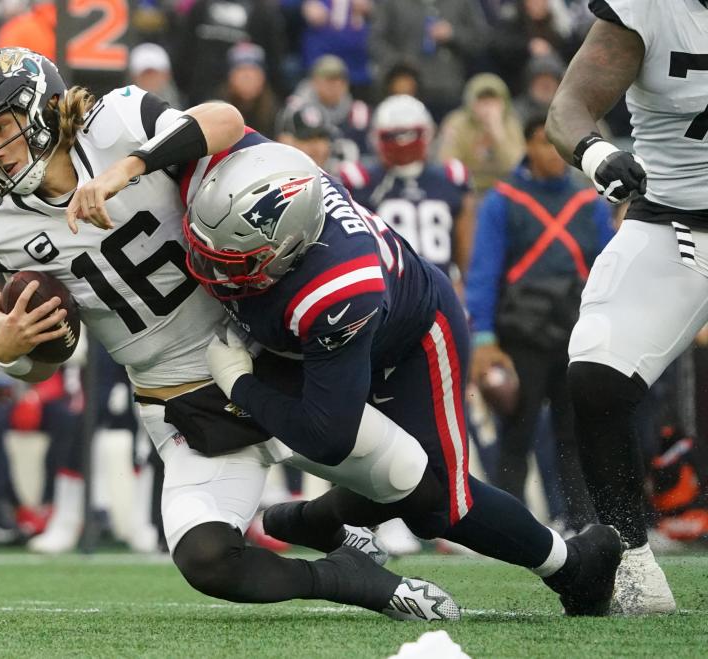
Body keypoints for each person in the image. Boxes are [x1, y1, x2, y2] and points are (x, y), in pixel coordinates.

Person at [0, 47, 454, 621]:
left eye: (2, 126)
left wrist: (130, 167)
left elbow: (224, 123)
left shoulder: (118, 120)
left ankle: (320, 523)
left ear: (42, 106)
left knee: (423, 488)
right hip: (180, 403)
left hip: (265, 355)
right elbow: (45, 356)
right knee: (205, 558)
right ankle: (351, 580)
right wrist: (8, 352)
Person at [183, 140, 624, 616]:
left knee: (439, 502)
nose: (210, 271)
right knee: (394, 479)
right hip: (317, 334)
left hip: (409, 340)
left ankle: (576, 568)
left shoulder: (337, 285)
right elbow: (221, 122)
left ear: (287, 249)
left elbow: (328, 436)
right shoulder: (262, 171)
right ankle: (319, 522)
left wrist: (241, 385)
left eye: (232, 262)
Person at [546, 0, 708, 614]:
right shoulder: (651, 7)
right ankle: (634, 563)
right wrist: (596, 153)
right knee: (596, 371)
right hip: (672, 223)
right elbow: (568, 107)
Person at [464, 115, 612, 532]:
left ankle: (582, 522)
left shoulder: (589, 203)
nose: (552, 154)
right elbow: (483, 272)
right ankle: (507, 525)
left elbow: (608, 266)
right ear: (528, 146)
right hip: (520, 338)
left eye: (557, 146)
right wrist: (485, 338)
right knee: (517, 433)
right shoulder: (503, 200)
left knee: (574, 436)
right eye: (543, 144)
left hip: (575, 334)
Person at [343, 94, 475, 282]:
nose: (402, 144)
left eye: (409, 135)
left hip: (438, 285)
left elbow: (466, 252)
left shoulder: (451, 177)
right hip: (389, 290)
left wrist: (462, 282)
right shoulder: (359, 180)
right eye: (393, 136)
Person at [437, 73, 525, 195]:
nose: (488, 106)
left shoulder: (511, 124)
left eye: (493, 100)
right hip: (468, 190)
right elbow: (447, 165)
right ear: (470, 102)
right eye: (482, 100)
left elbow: (517, 167)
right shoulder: (457, 123)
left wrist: (497, 132)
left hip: (503, 191)